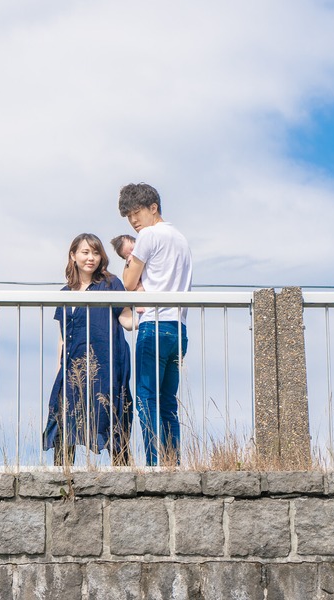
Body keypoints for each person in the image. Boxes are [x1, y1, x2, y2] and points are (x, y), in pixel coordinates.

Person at [43, 233, 134, 466]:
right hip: (72, 369)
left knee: (111, 414)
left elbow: (127, 320)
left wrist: (146, 298)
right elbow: (62, 339)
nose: (91, 258)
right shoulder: (65, 293)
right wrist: (58, 371)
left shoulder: (111, 284)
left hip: (105, 365)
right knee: (65, 418)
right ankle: (62, 479)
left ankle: (123, 477)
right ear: (73, 256)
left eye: (95, 252)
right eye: (85, 252)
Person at [118, 183, 192, 466]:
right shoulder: (181, 239)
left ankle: (153, 464)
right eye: (128, 216)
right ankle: (173, 463)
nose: (134, 221)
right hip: (179, 329)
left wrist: (130, 267)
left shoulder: (149, 235)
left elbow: (127, 283)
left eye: (137, 212)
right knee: (168, 402)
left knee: (146, 399)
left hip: (153, 326)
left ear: (153, 208)